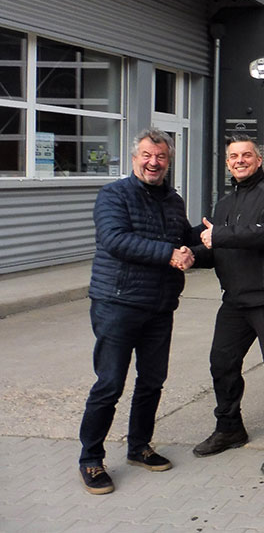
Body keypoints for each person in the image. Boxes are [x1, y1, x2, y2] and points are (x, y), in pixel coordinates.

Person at [78, 128, 197, 495]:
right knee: (110, 383)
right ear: (134, 159)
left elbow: (182, 239)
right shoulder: (114, 194)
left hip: (159, 306)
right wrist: (170, 254)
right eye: (147, 155)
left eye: (161, 157)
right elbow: (115, 239)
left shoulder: (173, 201)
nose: (153, 162)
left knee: (151, 381)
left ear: (168, 161)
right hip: (117, 302)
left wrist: (208, 240)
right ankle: (91, 459)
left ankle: (138, 447)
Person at [191, 135, 264, 475]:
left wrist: (220, 236)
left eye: (246, 155)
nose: (239, 161)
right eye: (233, 157)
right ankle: (229, 428)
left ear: (259, 160)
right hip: (235, 301)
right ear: (227, 163)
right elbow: (218, 249)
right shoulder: (224, 204)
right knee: (221, 363)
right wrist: (190, 256)